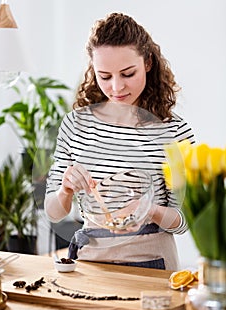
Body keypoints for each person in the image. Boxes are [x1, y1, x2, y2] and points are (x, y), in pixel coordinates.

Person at [44, 12, 195, 270]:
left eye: (127, 73)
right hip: (90, 263)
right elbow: (53, 212)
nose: (116, 87)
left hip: (150, 263)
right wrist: (65, 190)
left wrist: (150, 210)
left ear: (148, 62)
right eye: (105, 76)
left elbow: (183, 221)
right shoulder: (75, 124)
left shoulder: (173, 132)